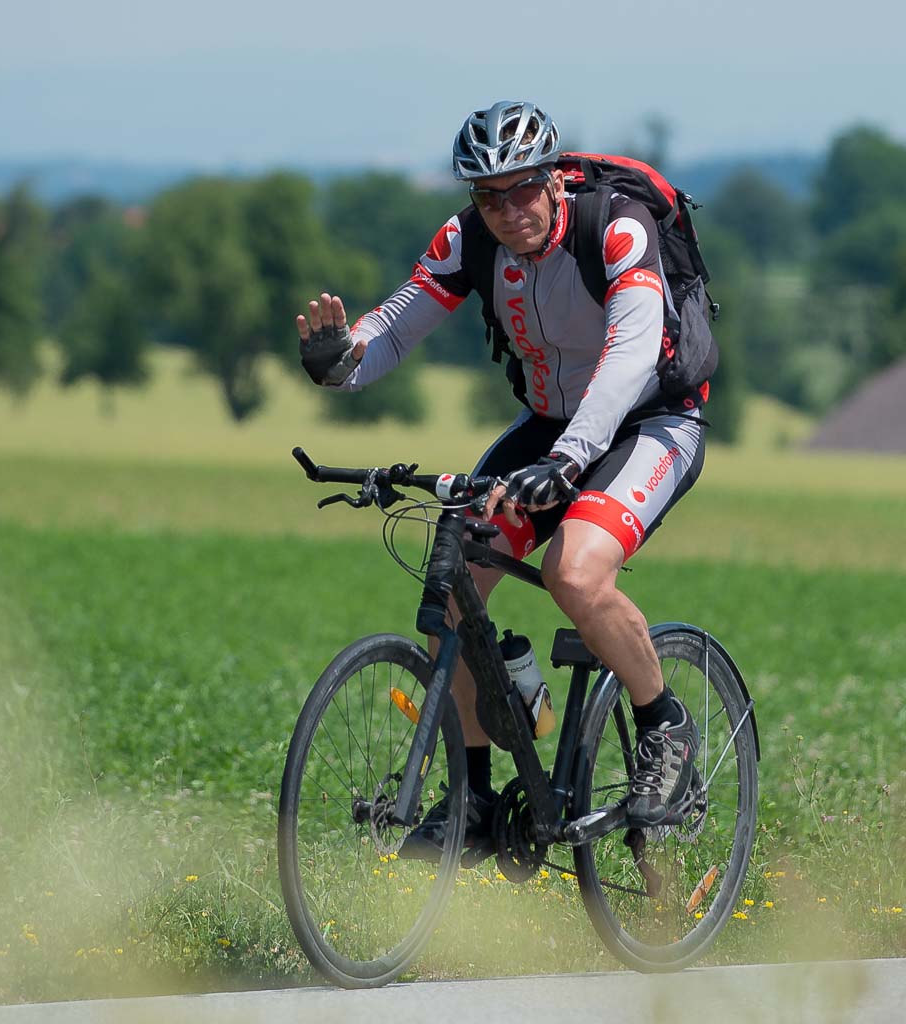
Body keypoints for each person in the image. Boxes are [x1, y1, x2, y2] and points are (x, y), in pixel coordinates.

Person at [296, 100, 705, 861]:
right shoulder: (469, 240)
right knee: (453, 587)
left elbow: (631, 352)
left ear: (554, 180)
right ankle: (476, 800)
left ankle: (666, 727)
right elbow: (395, 328)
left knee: (574, 574)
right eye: (489, 196)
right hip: (549, 428)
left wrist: (572, 458)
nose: (508, 211)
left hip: (649, 422)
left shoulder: (616, 228)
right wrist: (340, 361)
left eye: (522, 190)